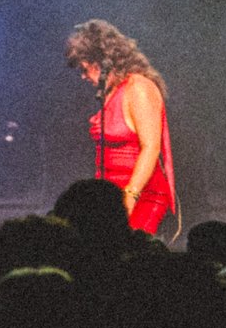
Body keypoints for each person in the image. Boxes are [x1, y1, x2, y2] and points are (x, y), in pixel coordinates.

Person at [65, 19, 178, 236]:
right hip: (111, 196)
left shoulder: (139, 88)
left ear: (102, 61)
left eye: (84, 68)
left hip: (142, 195)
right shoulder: (112, 92)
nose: (83, 76)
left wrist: (130, 196)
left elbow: (151, 147)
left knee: (129, 249)